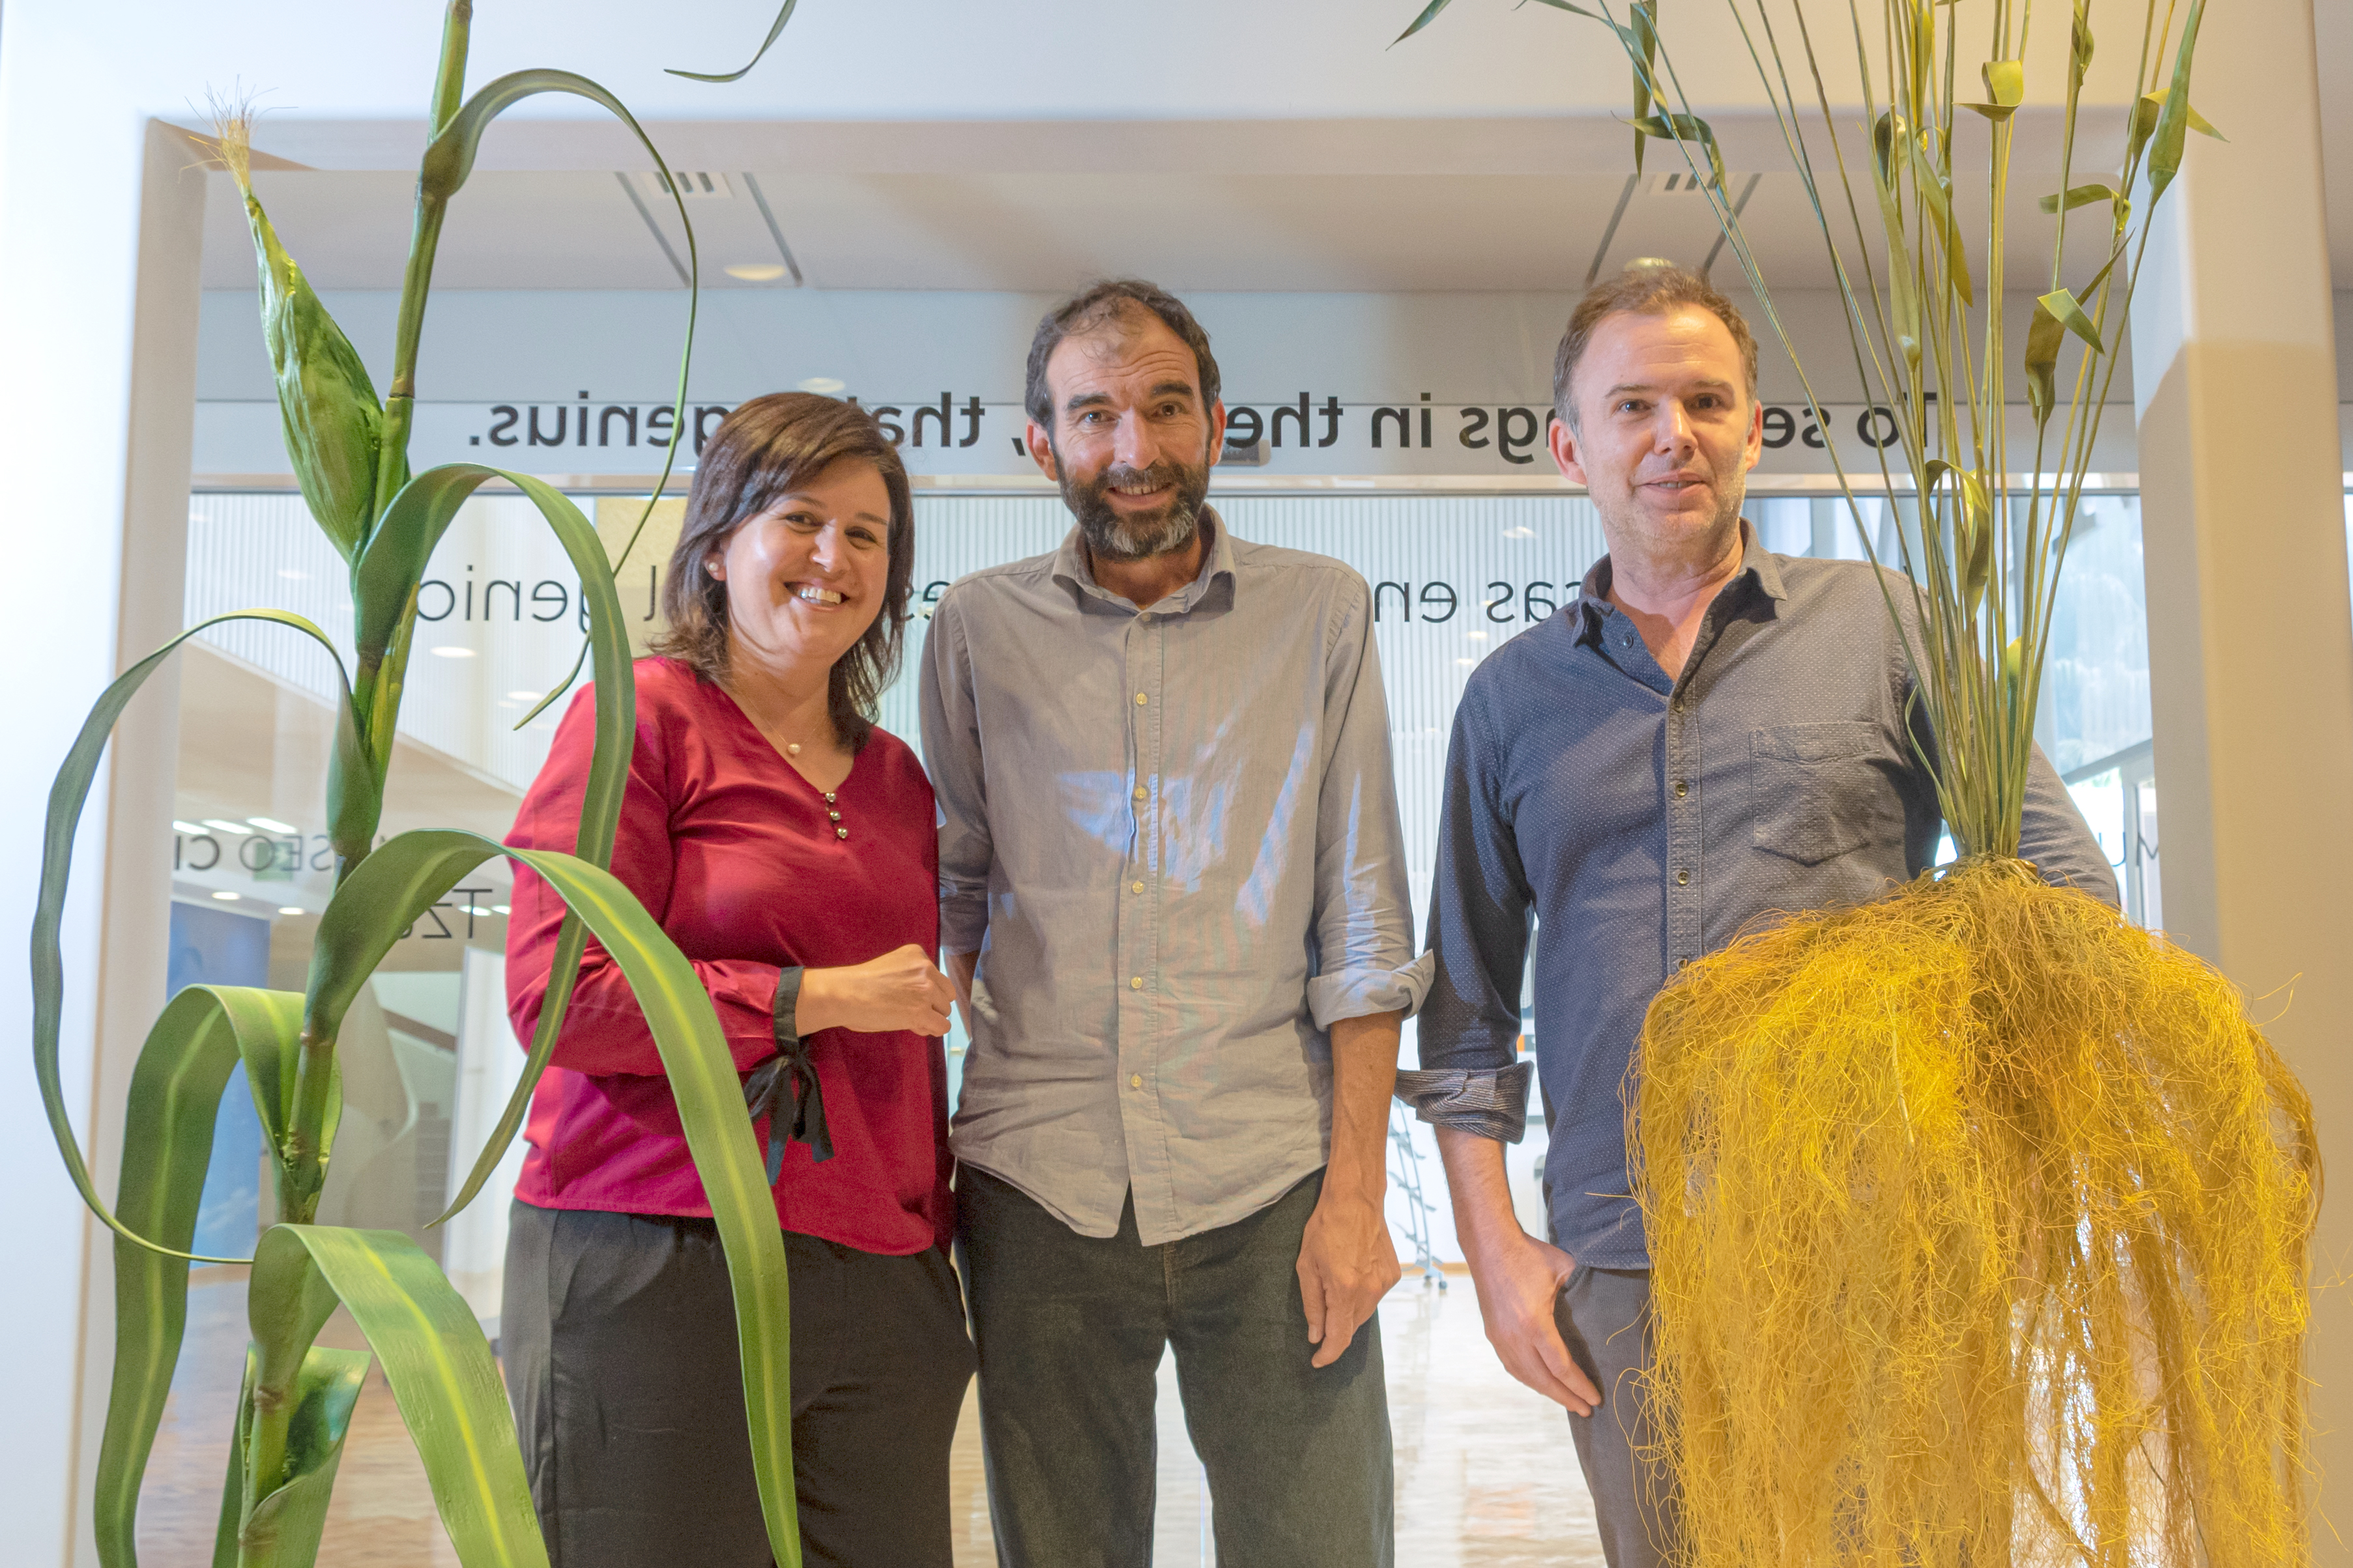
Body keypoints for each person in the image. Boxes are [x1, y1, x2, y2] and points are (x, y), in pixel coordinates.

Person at [1400, 263, 2117, 1568]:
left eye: (1705, 399)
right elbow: (1465, 1011)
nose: (1672, 433)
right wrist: (1496, 1249)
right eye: (1633, 406)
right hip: (1626, 1259)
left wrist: (2000, 1154)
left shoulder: (1888, 627)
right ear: (1572, 448)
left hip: (1879, 1235)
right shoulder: (1511, 701)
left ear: (1754, 427)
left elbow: (2064, 895)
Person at [919, 278, 1426, 1567]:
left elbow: (1363, 916)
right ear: (1041, 443)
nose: (1134, 450)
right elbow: (954, 892)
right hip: (1039, 1184)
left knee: (1319, 1548)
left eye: (1163, 406)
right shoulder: (975, 629)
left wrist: (1357, 1198)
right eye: (1094, 415)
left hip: (1272, 1176)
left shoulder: (1321, 613)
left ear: (1215, 421)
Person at [500, 392, 974, 1568]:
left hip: (878, 1272)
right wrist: (809, 997)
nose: (835, 557)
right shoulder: (641, 716)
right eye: (802, 520)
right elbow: (558, 990)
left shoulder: (900, 776)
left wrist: (931, 1242)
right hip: (657, 1252)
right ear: (719, 547)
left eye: (869, 535)